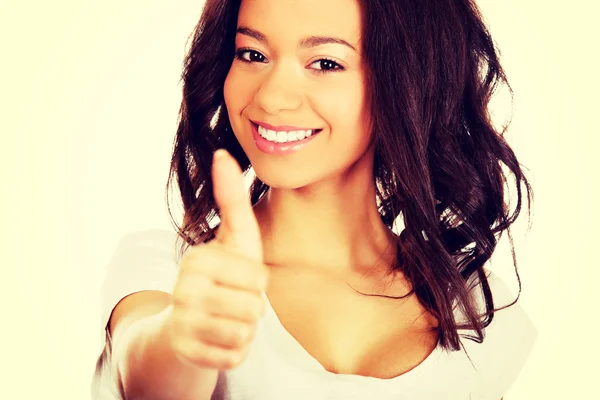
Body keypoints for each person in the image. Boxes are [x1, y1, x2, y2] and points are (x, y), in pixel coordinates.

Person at [91, 0, 538, 399]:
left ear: (405, 81)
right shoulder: (169, 270)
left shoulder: (475, 308)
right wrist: (185, 339)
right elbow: (147, 377)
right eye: (253, 54)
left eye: (325, 63)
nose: (271, 97)